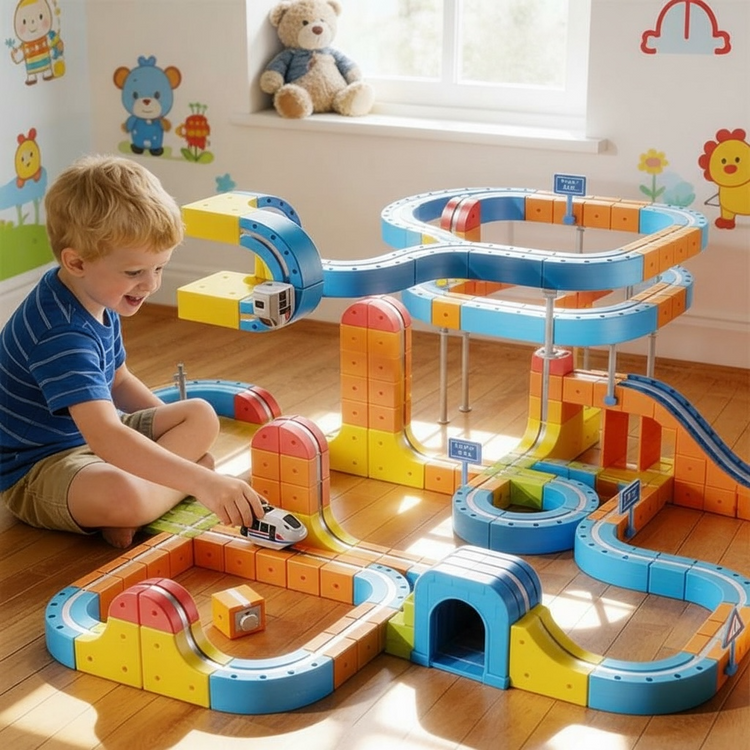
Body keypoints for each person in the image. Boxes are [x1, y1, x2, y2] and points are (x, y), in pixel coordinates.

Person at [0, 154, 264, 548]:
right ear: (77, 261)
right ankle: (141, 504)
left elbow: (118, 380)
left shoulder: (94, 293)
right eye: (135, 272)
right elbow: (106, 436)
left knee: (199, 415)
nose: (151, 284)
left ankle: (149, 501)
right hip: (39, 466)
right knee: (121, 495)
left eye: (159, 268)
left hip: (97, 438)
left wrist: (170, 440)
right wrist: (201, 479)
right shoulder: (60, 333)